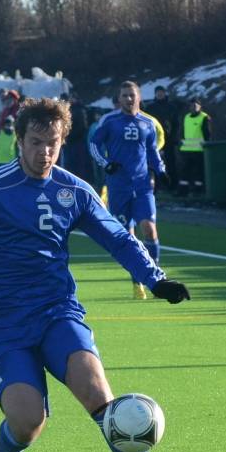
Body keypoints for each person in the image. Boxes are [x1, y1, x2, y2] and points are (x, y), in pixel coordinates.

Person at [0, 97, 190, 452]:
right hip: (6, 324)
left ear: (62, 141)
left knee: (100, 398)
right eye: (36, 142)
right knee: (28, 422)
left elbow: (118, 238)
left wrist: (155, 279)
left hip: (58, 313)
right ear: (19, 140)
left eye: (52, 143)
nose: (44, 152)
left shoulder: (73, 190)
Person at [88, 81, 168, 300]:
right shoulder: (109, 121)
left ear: (139, 97)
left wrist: (160, 170)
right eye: (124, 95)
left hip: (142, 186)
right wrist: (106, 164)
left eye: (132, 95)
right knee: (127, 238)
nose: (129, 99)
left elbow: (152, 151)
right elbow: (94, 145)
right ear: (119, 99)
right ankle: (137, 282)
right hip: (118, 187)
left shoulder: (148, 123)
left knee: (149, 229)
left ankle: (156, 280)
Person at [177, 97, 211, 196]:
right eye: (192, 105)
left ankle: (198, 191)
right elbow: (183, 131)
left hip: (199, 149)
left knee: (198, 172)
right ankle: (183, 191)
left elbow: (207, 133)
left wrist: (206, 145)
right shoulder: (186, 117)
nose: (194, 107)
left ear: (200, 106)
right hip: (186, 149)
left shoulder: (204, 117)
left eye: (196, 105)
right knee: (184, 172)